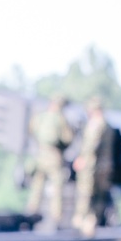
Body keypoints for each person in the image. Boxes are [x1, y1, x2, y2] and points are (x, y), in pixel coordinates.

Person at [26, 95, 76, 227]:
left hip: (41, 153)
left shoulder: (40, 117)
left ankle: (31, 211)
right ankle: (56, 216)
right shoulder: (60, 119)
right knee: (57, 185)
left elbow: (31, 130)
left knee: (37, 184)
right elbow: (67, 138)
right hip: (54, 155)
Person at [72, 96, 113, 236]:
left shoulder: (95, 124)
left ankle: (82, 221)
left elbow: (91, 145)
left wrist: (82, 158)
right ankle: (93, 221)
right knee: (99, 196)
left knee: (86, 193)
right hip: (105, 166)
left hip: (92, 165)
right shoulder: (108, 125)